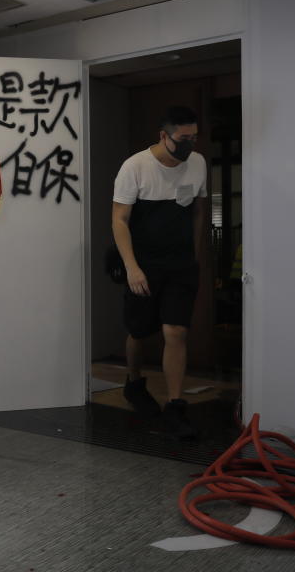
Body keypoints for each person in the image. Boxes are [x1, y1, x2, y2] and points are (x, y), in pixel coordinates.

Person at [111, 106, 207, 438]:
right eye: (183, 138)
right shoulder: (135, 167)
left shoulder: (198, 163)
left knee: (175, 332)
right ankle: (134, 383)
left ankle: (175, 406)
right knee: (139, 332)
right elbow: (119, 220)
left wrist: (192, 254)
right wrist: (132, 267)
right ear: (163, 136)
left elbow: (197, 210)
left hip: (181, 266)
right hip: (144, 265)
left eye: (194, 137)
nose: (189, 145)